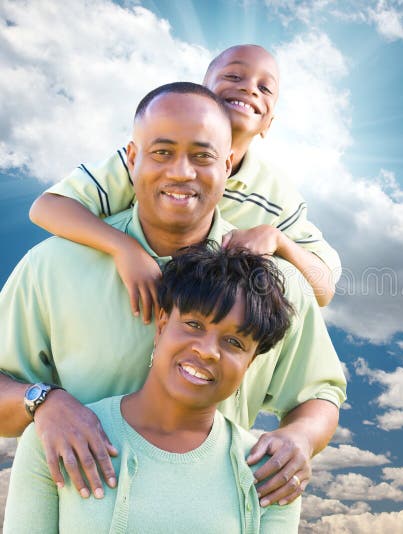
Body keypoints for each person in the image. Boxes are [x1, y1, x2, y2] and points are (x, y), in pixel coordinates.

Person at [0, 82, 345, 509]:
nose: (182, 172)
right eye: (162, 152)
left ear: (229, 163)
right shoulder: (51, 266)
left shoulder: (277, 284)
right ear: (132, 157)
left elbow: (320, 393)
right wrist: (43, 402)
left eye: (203, 156)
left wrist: (299, 438)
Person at [4, 245, 301, 533]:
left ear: (249, 364)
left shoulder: (272, 473)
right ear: (161, 327)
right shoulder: (57, 438)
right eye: (194, 324)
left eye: (235, 343)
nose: (208, 351)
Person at [29, 44, 339, 320]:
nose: (249, 89)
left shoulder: (276, 194)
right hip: (116, 310)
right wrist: (124, 248)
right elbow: (47, 207)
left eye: (265, 87)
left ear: (268, 124)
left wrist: (278, 240)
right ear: (201, 93)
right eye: (234, 77)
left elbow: (323, 289)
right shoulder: (150, 161)